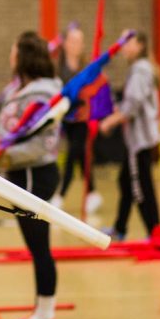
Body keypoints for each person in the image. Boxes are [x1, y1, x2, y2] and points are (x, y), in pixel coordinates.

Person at [0, 31, 62, 319]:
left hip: (34, 173)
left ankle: (45, 312)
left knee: (39, 246)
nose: (10, 56)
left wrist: (7, 157)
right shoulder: (24, 89)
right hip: (22, 174)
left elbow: (42, 144)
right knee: (36, 245)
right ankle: (42, 308)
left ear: (23, 57)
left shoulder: (41, 95)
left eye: (14, 51)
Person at [100, 31, 160, 241]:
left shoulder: (140, 71)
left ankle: (154, 231)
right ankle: (120, 228)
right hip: (137, 140)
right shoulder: (140, 70)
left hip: (139, 141)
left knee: (140, 187)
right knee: (125, 182)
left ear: (141, 45)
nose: (123, 47)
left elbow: (132, 107)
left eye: (128, 42)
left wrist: (110, 121)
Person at [53, 25, 102, 212]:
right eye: (73, 41)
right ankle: (93, 192)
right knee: (81, 156)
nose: (76, 45)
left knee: (73, 153)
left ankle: (60, 195)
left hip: (83, 119)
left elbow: (94, 92)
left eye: (80, 41)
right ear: (65, 44)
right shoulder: (59, 70)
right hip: (66, 119)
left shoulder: (86, 68)